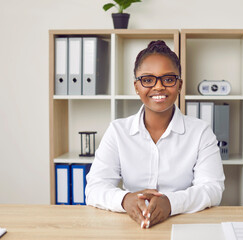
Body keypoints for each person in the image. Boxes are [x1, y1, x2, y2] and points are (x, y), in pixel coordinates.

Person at [85, 40, 225, 229]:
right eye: (148, 80)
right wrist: (126, 199)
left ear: (179, 85)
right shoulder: (118, 131)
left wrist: (171, 203)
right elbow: (94, 188)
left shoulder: (201, 133)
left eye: (168, 79)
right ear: (136, 86)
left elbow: (212, 189)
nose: (158, 87)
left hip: (184, 224)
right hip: (131, 225)